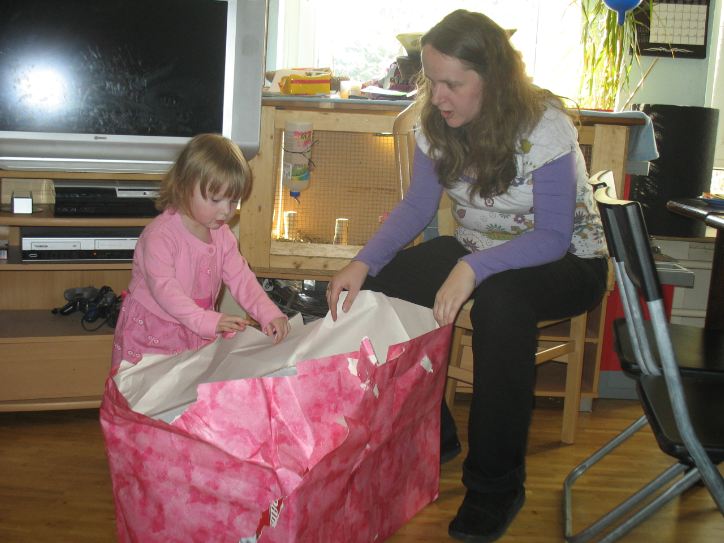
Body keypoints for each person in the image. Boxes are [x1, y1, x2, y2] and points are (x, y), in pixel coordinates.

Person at [326, 10, 608, 542]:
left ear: (493, 79)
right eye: (432, 81)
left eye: (452, 84)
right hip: (477, 249)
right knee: (380, 292)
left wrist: (472, 267)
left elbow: (552, 236)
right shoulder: (437, 123)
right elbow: (417, 208)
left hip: (568, 260)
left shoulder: (544, 125)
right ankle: (436, 434)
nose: (438, 96)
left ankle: (496, 486)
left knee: (502, 305)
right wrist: (362, 262)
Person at [111, 134, 289, 372]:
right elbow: (166, 291)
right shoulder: (160, 236)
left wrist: (268, 313)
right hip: (153, 331)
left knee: (191, 384)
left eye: (233, 201)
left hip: (198, 326)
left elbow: (242, 278)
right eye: (215, 199)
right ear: (184, 187)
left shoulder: (223, 236)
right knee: (150, 389)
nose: (225, 211)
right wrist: (207, 321)